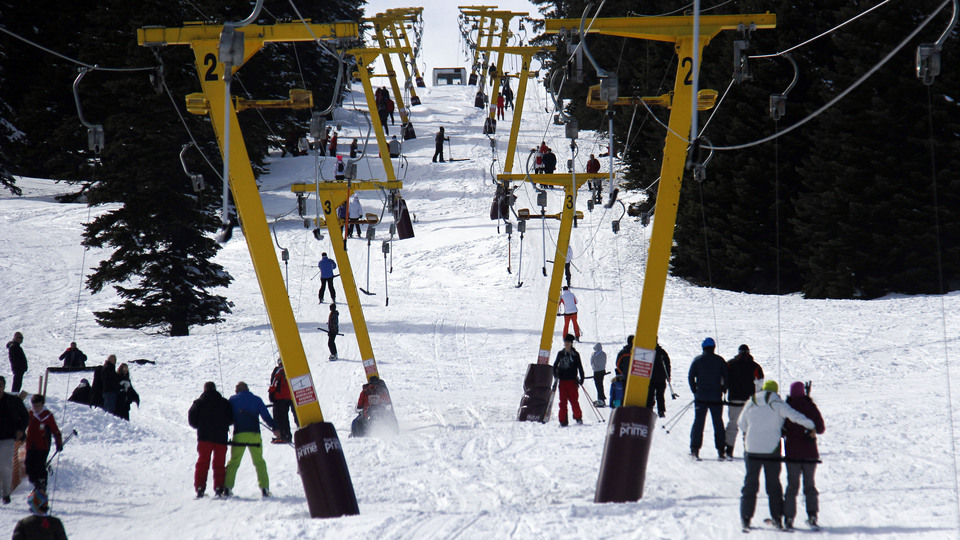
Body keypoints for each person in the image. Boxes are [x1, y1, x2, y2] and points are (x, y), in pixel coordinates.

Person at [738, 380, 815, 531]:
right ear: (775, 391)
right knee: (773, 486)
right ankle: (777, 518)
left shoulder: (751, 402)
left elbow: (741, 424)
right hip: (771, 451)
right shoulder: (777, 403)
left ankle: (746, 518)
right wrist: (810, 425)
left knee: (750, 484)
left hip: (751, 449)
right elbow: (795, 416)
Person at [223, 382, 279, 497]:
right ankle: (264, 489)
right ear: (247, 389)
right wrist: (275, 428)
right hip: (254, 434)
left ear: (236, 390)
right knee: (259, 462)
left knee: (234, 462)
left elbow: (227, 418)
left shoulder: (232, 400)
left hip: (239, 434)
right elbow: (266, 416)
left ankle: (227, 488)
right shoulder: (256, 399)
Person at [783, 381, 826, 530]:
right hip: (810, 454)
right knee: (810, 486)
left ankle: (788, 518)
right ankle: (812, 516)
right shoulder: (811, 407)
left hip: (792, 454)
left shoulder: (787, 408)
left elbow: (781, 430)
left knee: (792, 486)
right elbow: (820, 428)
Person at [188, 381, 233, 498]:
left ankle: (200, 488)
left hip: (204, 438)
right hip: (221, 438)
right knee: (219, 464)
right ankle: (219, 488)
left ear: (204, 390)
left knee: (202, 464)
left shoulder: (198, 402)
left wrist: (200, 425)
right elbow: (231, 419)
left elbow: (192, 419)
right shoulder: (224, 402)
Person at [688, 337, 728, 460]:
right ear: (713, 347)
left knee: (699, 423)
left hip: (701, 397)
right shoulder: (720, 360)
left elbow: (690, 377)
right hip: (716, 397)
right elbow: (727, 377)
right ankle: (721, 451)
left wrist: (695, 390)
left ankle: (695, 449)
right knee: (718, 423)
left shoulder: (697, 360)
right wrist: (723, 389)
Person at [725, 344, 765, 459]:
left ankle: (729, 449)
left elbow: (724, 379)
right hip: (749, 401)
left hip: (734, 399)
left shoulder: (730, 364)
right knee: (747, 427)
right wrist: (757, 397)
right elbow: (759, 383)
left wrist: (725, 389)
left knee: (732, 424)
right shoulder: (755, 366)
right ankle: (748, 450)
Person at [25, 394, 61, 493]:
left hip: (42, 445)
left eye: (38, 406)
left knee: (39, 466)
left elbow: (55, 430)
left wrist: (59, 442)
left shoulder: (47, 415)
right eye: (34, 406)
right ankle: (36, 483)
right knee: (29, 466)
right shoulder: (30, 414)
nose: (36, 408)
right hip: (30, 445)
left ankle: (42, 485)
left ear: (42, 405)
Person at [0, 376, 28, 504]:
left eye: (0, 386)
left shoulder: (12, 401)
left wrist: (21, 429)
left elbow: (25, 416)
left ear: (4, 387)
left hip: (7, 438)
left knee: (5, 465)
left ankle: (6, 494)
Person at [553, 334, 585, 427]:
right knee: (562, 402)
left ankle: (578, 417)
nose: (566, 343)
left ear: (571, 343)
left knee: (574, 401)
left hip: (572, 381)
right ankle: (563, 421)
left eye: (568, 342)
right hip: (562, 381)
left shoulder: (575, 355)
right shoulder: (560, 354)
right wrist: (555, 375)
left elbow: (580, 367)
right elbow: (555, 366)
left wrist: (582, 378)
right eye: (565, 342)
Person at [268, 359, 297, 444]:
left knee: (279, 417)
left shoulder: (279, 370)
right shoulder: (291, 369)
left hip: (279, 397)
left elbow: (274, 382)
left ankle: (282, 436)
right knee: (285, 417)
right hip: (290, 397)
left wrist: (271, 392)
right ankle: (287, 435)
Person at [647, 342, 672, 418]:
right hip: (660, 378)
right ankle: (660, 411)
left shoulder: (649, 352)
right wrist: (668, 375)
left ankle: (649, 410)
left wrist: (668, 375)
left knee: (651, 395)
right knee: (659, 395)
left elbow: (667, 364)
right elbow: (667, 365)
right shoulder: (662, 352)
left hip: (652, 378)